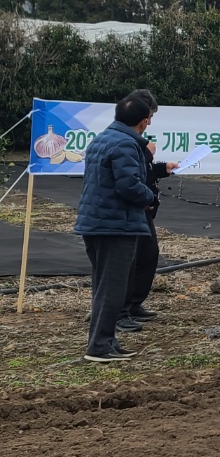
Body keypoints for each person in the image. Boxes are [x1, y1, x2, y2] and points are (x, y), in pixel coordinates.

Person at [72, 95, 158, 362]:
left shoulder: (102, 139)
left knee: (103, 285)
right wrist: (150, 197)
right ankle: (99, 345)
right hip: (116, 225)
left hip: (96, 221)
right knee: (113, 287)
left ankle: (105, 340)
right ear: (144, 122)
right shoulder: (126, 143)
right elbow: (128, 185)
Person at [120, 88, 173, 330]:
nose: (149, 122)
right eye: (148, 116)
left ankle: (133, 303)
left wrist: (161, 168)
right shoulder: (125, 141)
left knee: (148, 254)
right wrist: (147, 155)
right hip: (129, 210)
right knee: (127, 261)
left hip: (143, 208)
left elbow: (144, 172)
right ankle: (119, 311)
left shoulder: (136, 141)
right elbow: (130, 178)